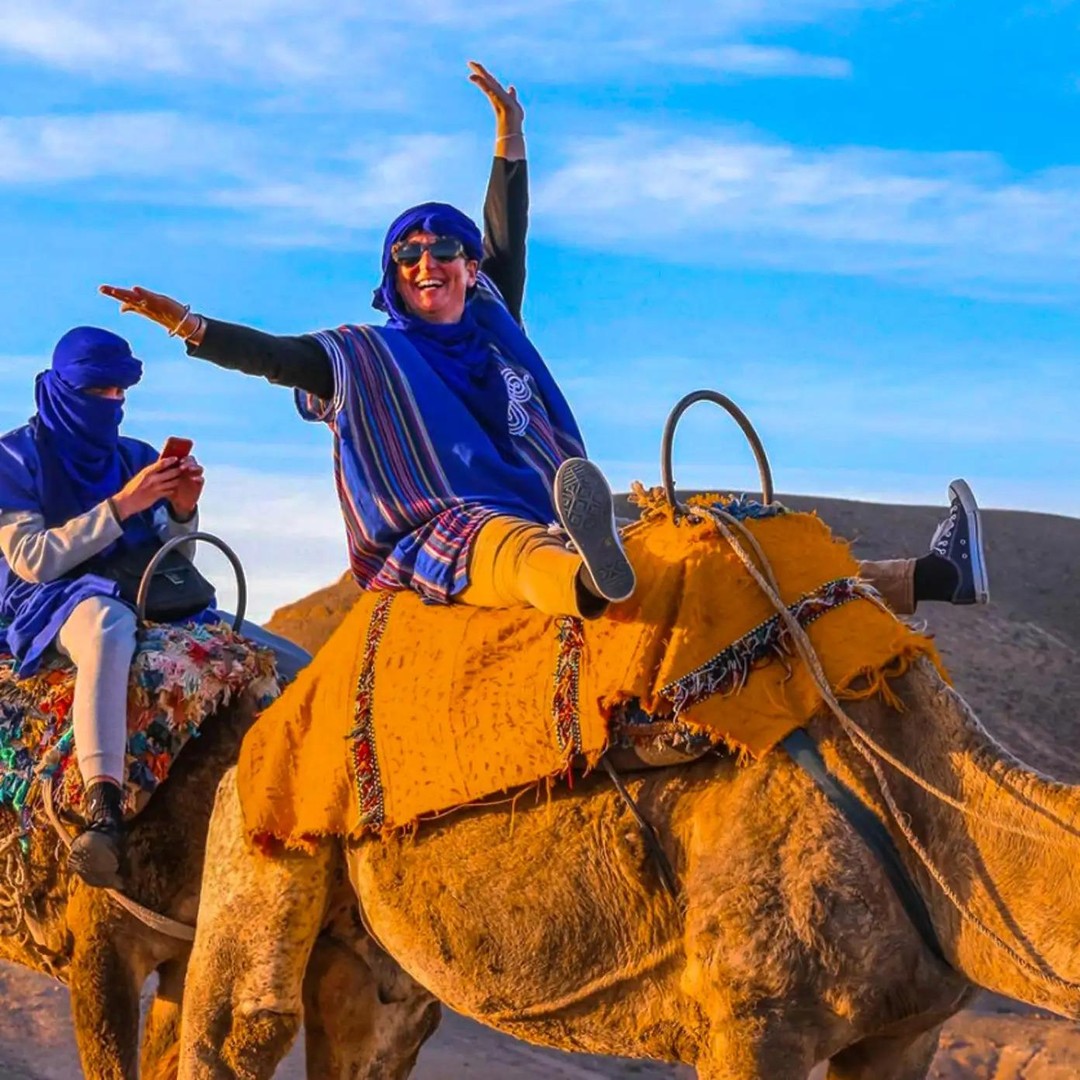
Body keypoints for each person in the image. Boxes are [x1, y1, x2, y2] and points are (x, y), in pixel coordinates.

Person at [99, 63, 988, 623]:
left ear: (465, 266)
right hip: (444, 528)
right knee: (504, 545)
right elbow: (276, 357)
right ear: (392, 276)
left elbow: (507, 234)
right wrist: (189, 324)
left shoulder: (494, 320)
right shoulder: (364, 359)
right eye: (408, 255)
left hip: (553, 507)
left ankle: (932, 577)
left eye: (444, 250)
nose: (428, 262)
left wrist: (510, 135)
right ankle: (586, 589)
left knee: (713, 555)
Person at [0, 327, 310, 889]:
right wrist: (123, 505)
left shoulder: (135, 456)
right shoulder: (15, 458)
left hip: (147, 588)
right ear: (63, 388)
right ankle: (104, 808)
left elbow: (176, 555)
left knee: (296, 664)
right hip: (57, 595)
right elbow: (33, 559)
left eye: (120, 392)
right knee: (107, 627)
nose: (113, 403)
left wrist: (183, 510)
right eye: (99, 391)